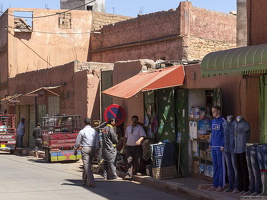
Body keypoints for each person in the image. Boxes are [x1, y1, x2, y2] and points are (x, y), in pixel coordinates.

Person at [74, 118, 99, 188]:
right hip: (93, 149)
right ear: (90, 123)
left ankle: (91, 182)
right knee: (87, 165)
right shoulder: (94, 131)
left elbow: (78, 142)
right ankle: (84, 180)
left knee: (87, 166)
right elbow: (97, 143)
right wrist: (96, 151)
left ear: (84, 123)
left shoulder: (82, 131)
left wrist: (75, 149)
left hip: (85, 148)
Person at [208, 106, 225, 192]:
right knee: (215, 166)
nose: (213, 113)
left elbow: (226, 134)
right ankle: (215, 184)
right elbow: (212, 133)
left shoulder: (223, 121)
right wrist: (210, 143)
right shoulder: (213, 121)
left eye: (214, 111)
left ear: (218, 111)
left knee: (220, 166)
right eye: (212, 111)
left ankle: (221, 185)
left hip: (220, 147)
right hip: (213, 146)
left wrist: (223, 145)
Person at [124, 115, 146, 180]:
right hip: (129, 146)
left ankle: (137, 171)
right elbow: (126, 136)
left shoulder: (140, 128)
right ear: (132, 120)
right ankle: (128, 174)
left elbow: (143, 136)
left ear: (137, 120)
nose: (134, 121)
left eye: (135, 120)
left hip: (137, 147)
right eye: (133, 120)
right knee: (129, 160)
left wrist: (139, 141)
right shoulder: (128, 128)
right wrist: (124, 143)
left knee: (137, 160)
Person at [222, 115, 238, 192]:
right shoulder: (224, 124)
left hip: (234, 148)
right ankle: (231, 186)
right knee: (229, 167)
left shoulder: (235, 123)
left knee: (235, 167)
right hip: (226, 148)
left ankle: (237, 186)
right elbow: (223, 136)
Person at [234, 116, 250, 194]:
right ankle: (239, 187)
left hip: (243, 149)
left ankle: (245, 187)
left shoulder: (245, 124)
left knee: (244, 169)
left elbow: (247, 135)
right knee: (238, 169)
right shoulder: (235, 124)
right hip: (236, 150)